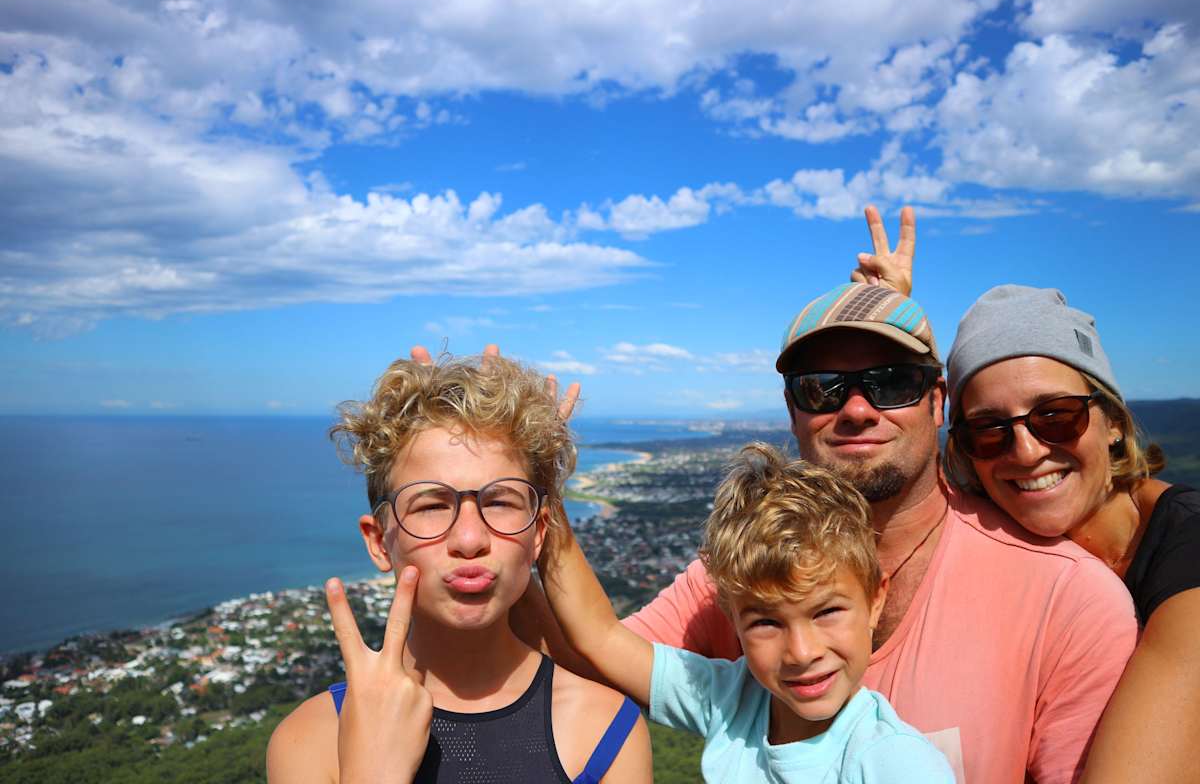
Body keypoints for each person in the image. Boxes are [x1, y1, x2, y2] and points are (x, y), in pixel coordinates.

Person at [622, 264, 1138, 782]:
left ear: (938, 403)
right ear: (792, 410)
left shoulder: (1067, 600)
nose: (857, 410)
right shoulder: (744, 570)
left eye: (892, 383)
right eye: (822, 388)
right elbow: (589, 662)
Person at [855, 226, 1200, 783]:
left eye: (1056, 415)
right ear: (965, 449)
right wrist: (891, 335)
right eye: (990, 429)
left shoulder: (1189, 561)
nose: (1027, 450)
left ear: (1112, 422)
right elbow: (901, 464)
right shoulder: (996, 530)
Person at [266, 354, 652, 783]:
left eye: (501, 501)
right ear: (379, 541)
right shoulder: (311, 739)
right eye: (431, 505)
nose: (470, 539)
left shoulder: (604, 729)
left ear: (539, 533)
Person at [540, 441, 953, 782]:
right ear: (731, 618)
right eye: (767, 622)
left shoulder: (894, 762)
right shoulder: (734, 700)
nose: (802, 652)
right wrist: (542, 492)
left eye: (826, 612)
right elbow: (600, 636)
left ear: (875, 601)